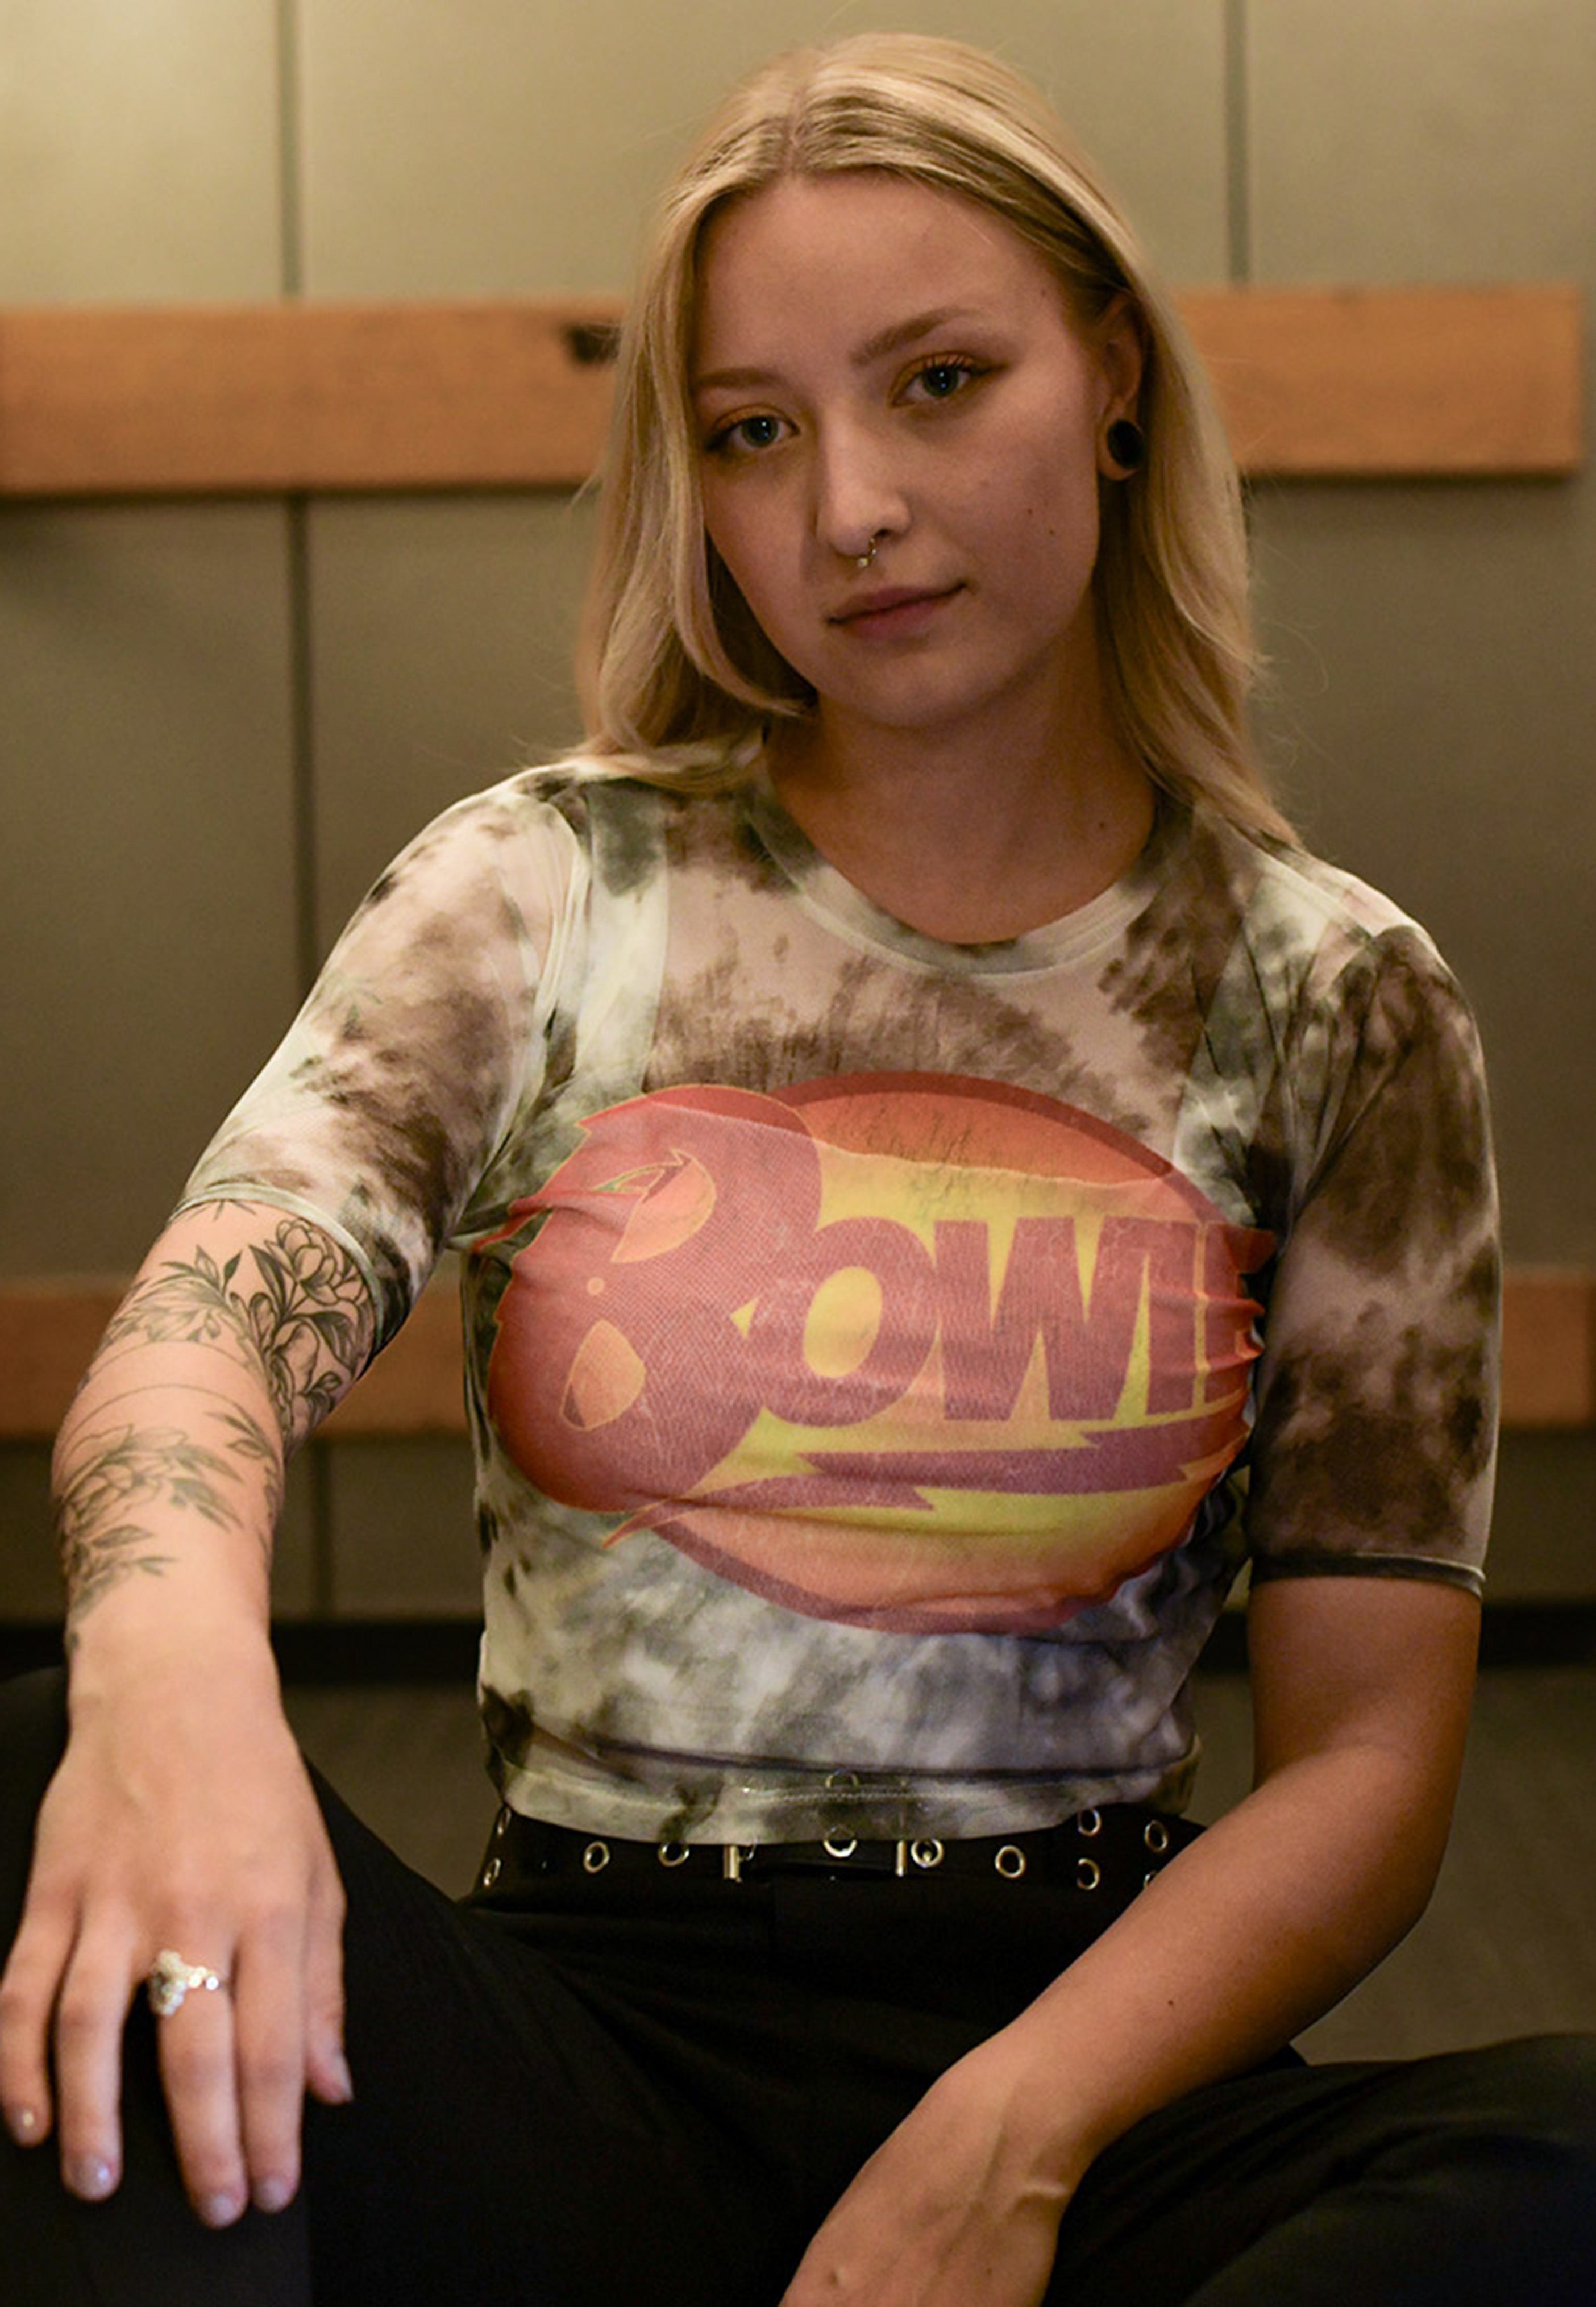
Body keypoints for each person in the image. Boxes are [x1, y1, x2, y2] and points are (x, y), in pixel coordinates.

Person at [2, 31, 1592, 2306]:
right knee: (49, 1803)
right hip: (592, 2048)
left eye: (938, 383)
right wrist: (172, 1691)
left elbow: (1373, 1763)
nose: (847, 506)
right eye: (755, 430)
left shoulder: (1334, 997)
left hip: (1090, 2075)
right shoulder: (545, 892)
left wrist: (1007, 2146)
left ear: (1114, 373)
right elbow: (206, 1329)